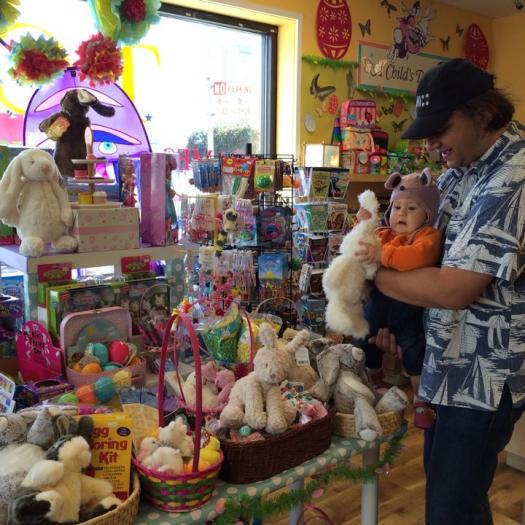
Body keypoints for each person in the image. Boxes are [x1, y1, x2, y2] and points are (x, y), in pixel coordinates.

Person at [371, 57, 525, 525]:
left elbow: (455, 288)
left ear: (484, 114)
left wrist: (367, 273)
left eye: (441, 128)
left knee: (451, 510)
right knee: (451, 500)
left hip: (483, 376)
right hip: (448, 364)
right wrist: (397, 317)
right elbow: (428, 254)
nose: (432, 143)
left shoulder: (513, 175)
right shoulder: (465, 167)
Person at [355, 168, 441, 429]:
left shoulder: (427, 237)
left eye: (412, 208)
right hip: (377, 307)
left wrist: (382, 255)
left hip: (409, 312)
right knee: (361, 341)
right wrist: (362, 225)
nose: (401, 213)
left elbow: (417, 257)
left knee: (416, 354)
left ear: (427, 214)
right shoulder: (383, 234)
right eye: (397, 207)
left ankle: (422, 402)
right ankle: (370, 382)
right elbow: (360, 247)